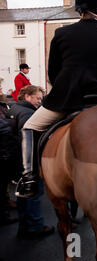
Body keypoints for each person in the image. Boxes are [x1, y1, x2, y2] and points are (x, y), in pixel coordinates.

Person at [15, 0, 97, 199]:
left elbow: (53, 72)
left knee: (30, 127)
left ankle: (29, 178)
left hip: (66, 101)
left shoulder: (61, 34)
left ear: (80, 12)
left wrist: (65, 87)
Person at [6, 85, 55, 238]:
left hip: (17, 158)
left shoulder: (14, 109)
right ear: (27, 96)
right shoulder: (28, 114)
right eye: (37, 98)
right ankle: (34, 226)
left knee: (22, 193)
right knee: (34, 192)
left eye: (41, 99)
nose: (39, 102)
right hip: (28, 160)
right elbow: (28, 140)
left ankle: (24, 226)